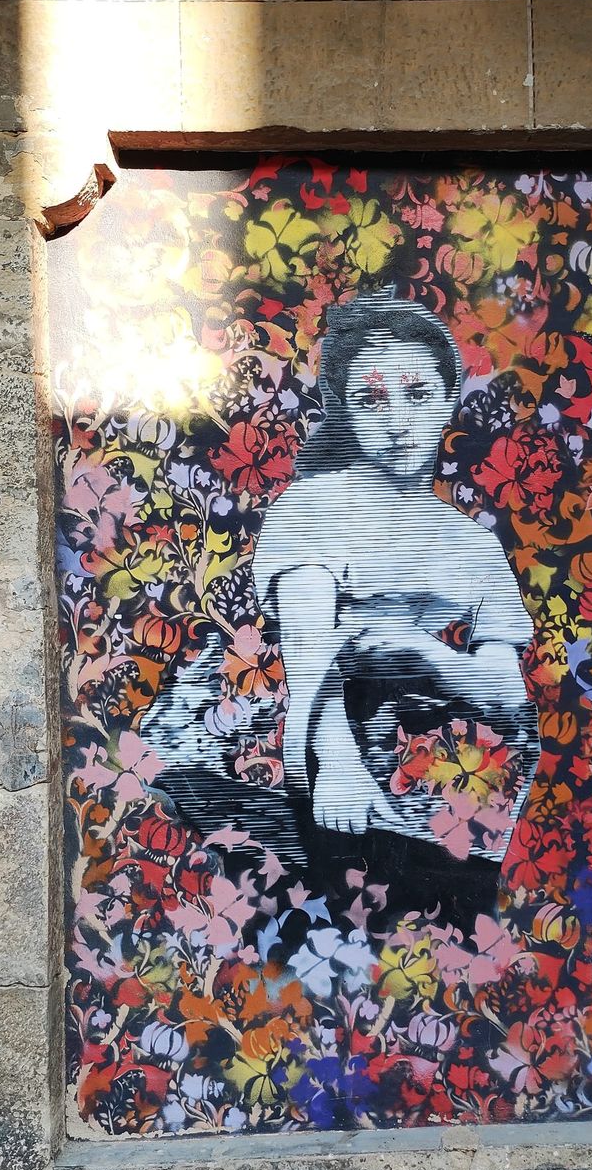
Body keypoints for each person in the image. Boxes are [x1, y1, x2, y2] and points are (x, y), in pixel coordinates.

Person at [146, 289, 539, 933]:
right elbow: (307, 654)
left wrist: (414, 653)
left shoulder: (470, 544)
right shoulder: (313, 509)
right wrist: (338, 769)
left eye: (417, 396)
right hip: (315, 739)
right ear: (345, 412)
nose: (397, 421)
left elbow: (503, 695)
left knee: (448, 893)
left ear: (448, 400)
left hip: (415, 754)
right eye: (371, 399)